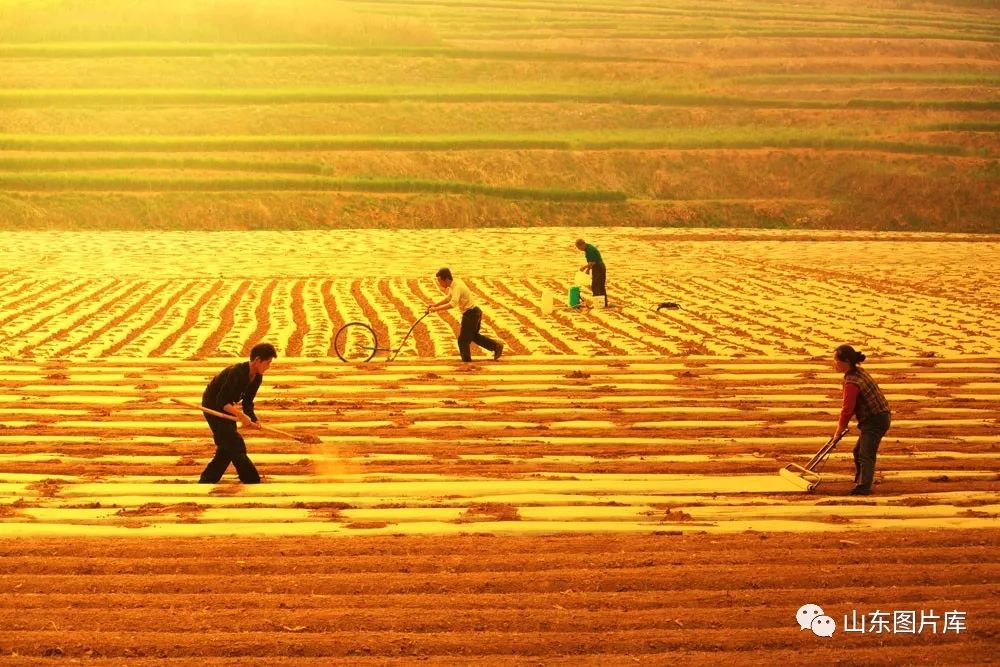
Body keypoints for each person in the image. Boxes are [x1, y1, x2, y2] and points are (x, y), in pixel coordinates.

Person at [198, 342, 278, 484]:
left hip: (227, 407)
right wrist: (241, 416)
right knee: (235, 443)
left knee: (227, 446)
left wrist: (254, 419)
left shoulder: (257, 377)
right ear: (257, 360)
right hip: (213, 407)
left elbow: (247, 402)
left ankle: (207, 480)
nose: (269, 366)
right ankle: (251, 479)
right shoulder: (236, 372)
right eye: (267, 362)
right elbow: (221, 401)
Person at [833, 344, 891, 495]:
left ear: (846, 361)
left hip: (875, 419)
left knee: (866, 454)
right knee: (858, 451)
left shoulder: (852, 382)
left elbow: (847, 409)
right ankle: (861, 479)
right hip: (878, 416)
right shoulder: (858, 372)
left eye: (836, 360)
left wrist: (839, 430)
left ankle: (864, 487)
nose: (834, 363)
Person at [426, 268, 504, 362]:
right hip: (474, 312)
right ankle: (496, 346)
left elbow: (453, 304)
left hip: (471, 314)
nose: (439, 283)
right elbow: (448, 298)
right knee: (473, 336)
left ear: (446, 279)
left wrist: (436, 309)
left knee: (463, 341)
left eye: (440, 281)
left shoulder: (457, 287)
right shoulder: (453, 284)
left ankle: (466, 362)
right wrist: (435, 305)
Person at [575, 238, 607, 307]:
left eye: (579, 248)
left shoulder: (590, 250)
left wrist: (584, 267)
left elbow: (593, 262)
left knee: (596, 286)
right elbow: (591, 262)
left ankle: (599, 304)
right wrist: (588, 270)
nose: (579, 249)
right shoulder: (587, 249)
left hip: (599, 268)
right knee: (599, 286)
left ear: (582, 244)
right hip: (596, 268)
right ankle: (602, 304)